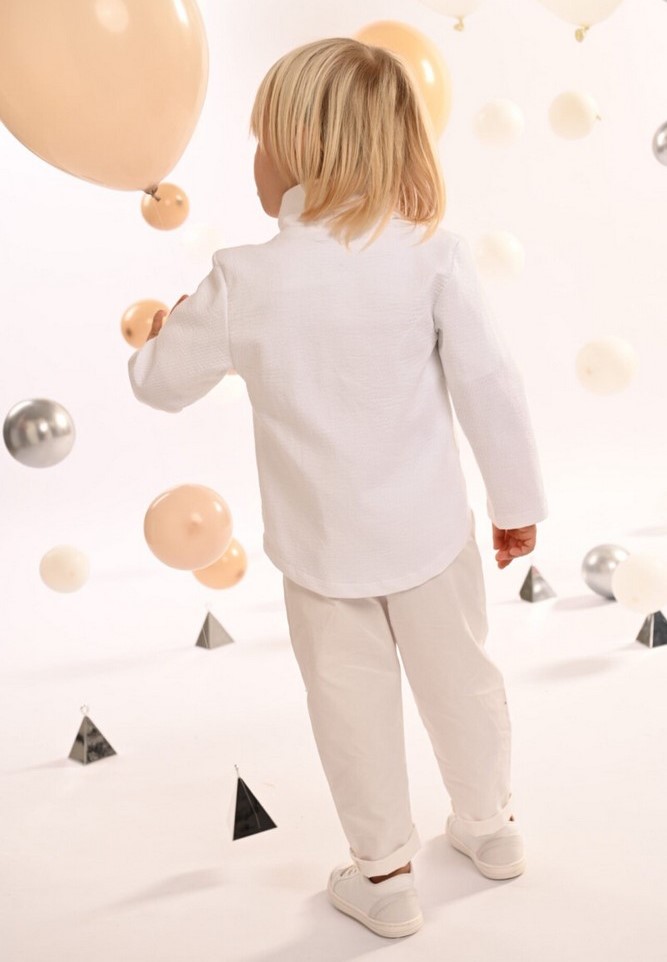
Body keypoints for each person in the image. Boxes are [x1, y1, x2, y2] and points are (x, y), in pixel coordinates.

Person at [128, 36, 548, 940]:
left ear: (295, 155)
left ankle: (385, 876)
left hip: (321, 555)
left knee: (348, 710)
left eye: (259, 141)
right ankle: (489, 827)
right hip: (430, 536)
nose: (253, 158)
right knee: (462, 681)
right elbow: (492, 385)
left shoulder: (243, 279)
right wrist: (516, 506)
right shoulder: (432, 255)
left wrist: (159, 334)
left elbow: (160, 387)